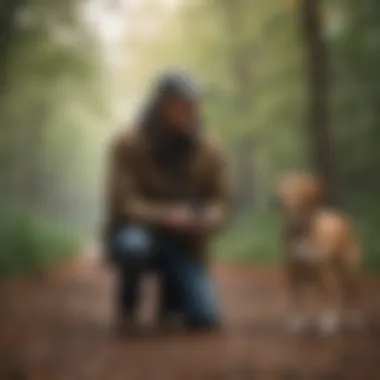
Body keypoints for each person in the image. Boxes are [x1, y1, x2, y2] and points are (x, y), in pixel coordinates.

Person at [103, 70, 231, 333]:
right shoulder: (128, 143)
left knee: (204, 319)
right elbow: (122, 203)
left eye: (194, 105)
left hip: (184, 242)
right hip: (138, 233)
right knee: (132, 246)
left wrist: (205, 217)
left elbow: (222, 203)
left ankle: (170, 307)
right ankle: (128, 310)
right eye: (181, 104)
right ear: (161, 105)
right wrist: (167, 215)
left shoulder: (210, 149)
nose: (190, 111)